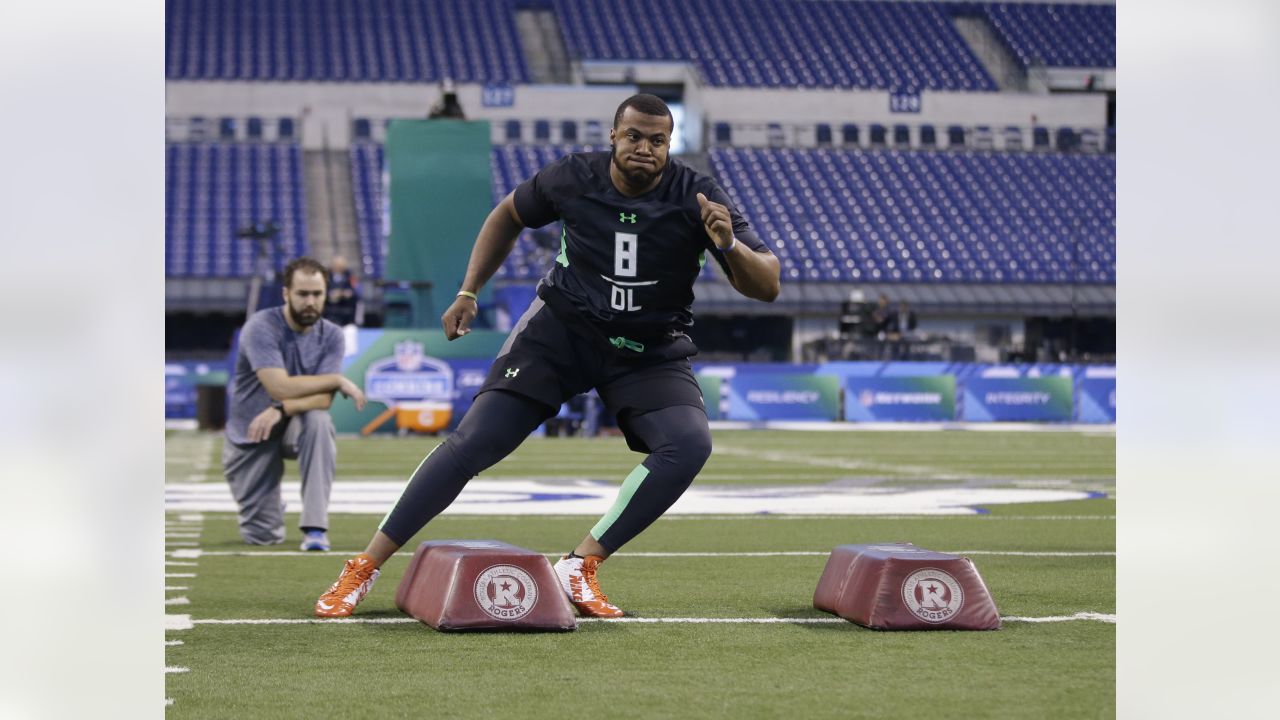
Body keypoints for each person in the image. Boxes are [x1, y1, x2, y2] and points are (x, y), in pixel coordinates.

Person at [314, 94, 780, 619]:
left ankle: (580, 564)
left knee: (689, 444)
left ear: (670, 145)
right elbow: (506, 215)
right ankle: (364, 566)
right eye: (634, 136)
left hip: (647, 348)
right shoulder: (572, 176)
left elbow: (767, 284)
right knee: (475, 441)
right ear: (613, 136)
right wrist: (469, 291)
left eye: (657, 140)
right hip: (563, 332)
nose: (644, 149)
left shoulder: (698, 193)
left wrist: (730, 246)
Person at [223, 257, 367, 551]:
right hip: (251, 432)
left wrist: (281, 409)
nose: (310, 302)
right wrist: (336, 380)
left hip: (292, 422)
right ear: (286, 293)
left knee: (319, 421)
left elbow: (323, 400)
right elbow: (280, 386)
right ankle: (271, 506)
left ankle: (315, 528)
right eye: (303, 294)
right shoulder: (261, 326)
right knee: (262, 536)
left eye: (317, 294)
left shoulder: (332, 335)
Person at [324, 254, 360, 326]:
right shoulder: (326, 276)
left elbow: (356, 291)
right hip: (330, 309)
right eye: (337, 264)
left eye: (341, 265)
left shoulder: (350, 276)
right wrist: (330, 294)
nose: (339, 267)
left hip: (346, 308)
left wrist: (349, 293)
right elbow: (322, 291)